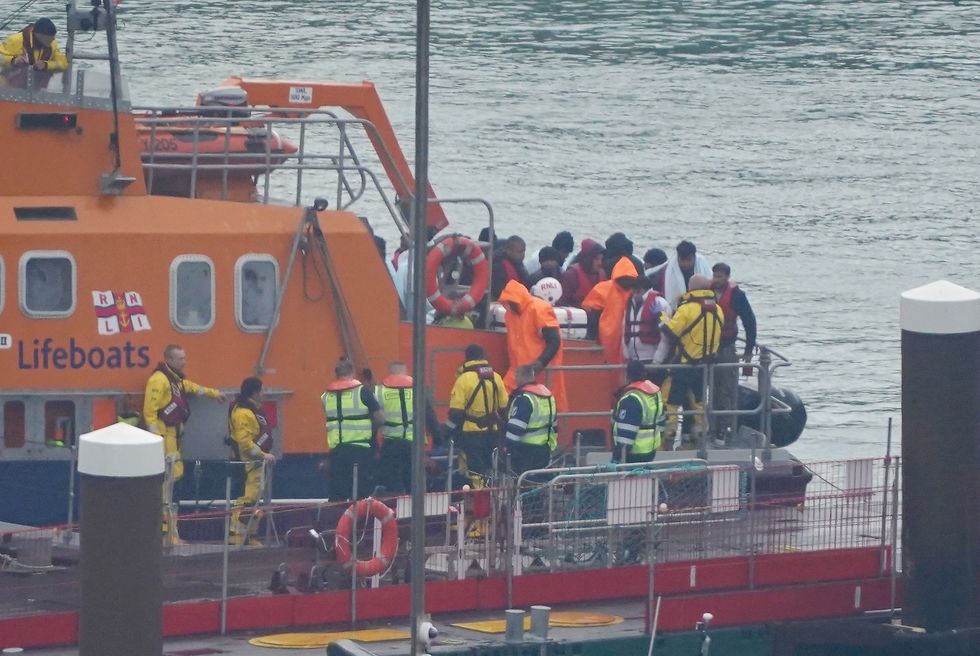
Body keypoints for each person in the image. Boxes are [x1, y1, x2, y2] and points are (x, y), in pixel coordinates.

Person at [142, 344, 226, 540]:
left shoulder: (175, 381)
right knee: (168, 479)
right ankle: (164, 530)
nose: (184, 362)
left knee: (173, 477)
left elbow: (191, 387)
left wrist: (214, 394)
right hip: (164, 437)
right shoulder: (159, 380)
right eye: (180, 359)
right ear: (169, 360)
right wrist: (156, 440)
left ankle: (170, 530)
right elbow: (149, 412)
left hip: (173, 437)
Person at [659, 274, 724, 449]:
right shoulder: (718, 309)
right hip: (704, 366)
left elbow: (671, 332)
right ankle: (698, 439)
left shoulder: (687, 309)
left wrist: (661, 317)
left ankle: (668, 438)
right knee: (698, 403)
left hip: (684, 365)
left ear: (691, 288)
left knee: (670, 402)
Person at [497, 279, 567, 412]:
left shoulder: (540, 309)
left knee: (544, 410)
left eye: (510, 302)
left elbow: (554, 341)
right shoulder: (510, 314)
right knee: (503, 404)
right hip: (517, 372)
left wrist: (540, 364)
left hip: (541, 373)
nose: (508, 306)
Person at [322, 358, 383, 500]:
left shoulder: (326, 396)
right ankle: (360, 515)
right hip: (360, 451)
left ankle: (338, 514)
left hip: (336, 452)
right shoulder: (363, 392)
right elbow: (380, 418)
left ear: (336, 374)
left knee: (337, 495)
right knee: (362, 496)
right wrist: (368, 429)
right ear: (352, 372)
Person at [444, 344, 509, 476]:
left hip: (470, 433)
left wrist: (445, 432)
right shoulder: (496, 377)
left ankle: (476, 489)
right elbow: (504, 408)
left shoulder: (464, 379)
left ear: (467, 357)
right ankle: (489, 489)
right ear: (483, 357)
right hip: (493, 432)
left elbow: (456, 413)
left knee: (473, 470)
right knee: (491, 469)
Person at [377, 361, 441, 494]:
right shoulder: (418, 389)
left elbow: (375, 419)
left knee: (393, 483)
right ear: (405, 372)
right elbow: (430, 416)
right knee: (414, 483)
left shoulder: (379, 391)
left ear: (391, 373)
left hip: (391, 444)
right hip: (414, 445)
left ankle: (396, 505)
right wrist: (439, 439)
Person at [711, 263, 758, 442]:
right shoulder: (705, 292)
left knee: (726, 389)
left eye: (720, 276)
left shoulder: (737, 296)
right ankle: (709, 426)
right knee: (708, 388)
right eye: (715, 276)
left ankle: (723, 428)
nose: (717, 280)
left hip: (726, 347)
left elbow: (749, 321)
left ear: (727, 277)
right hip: (706, 349)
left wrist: (748, 350)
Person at [227, 377, 277, 545]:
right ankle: (236, 534)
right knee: (245, 500)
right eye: (262, 390)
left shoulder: (252, 411)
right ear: (254, 393)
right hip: (247, 464)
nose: (263, 394)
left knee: (254, 500)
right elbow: (244, 443)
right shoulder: (243, 413)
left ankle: (249, 535)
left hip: (255, 465)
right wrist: (263, 455)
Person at [581, 257, 639, 365]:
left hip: (629, 337)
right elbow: (591, 313)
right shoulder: (603, 289)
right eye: (624, 278)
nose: (627, 281)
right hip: (607, 338)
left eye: (630, 278)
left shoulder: (637, 292)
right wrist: (592, 337)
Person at [504, 365, 557, 474]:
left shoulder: (524, 399)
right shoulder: (548, 396)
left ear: (520, 377)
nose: (515, 380)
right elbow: (555, 425)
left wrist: (508, 449)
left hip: (525, 451)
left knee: (523, 481)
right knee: (541, 480)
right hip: (545, 448)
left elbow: (515, 429)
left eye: (516, 377)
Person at [612, 360, 666, 463]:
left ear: (628, 375)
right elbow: (662, 423)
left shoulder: (631, 399)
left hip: (633, 454)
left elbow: (625, 436)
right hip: (650, 451)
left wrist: (617, 457)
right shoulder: (655, 393)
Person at [623, 276, 672, 373]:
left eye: (637, 289)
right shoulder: (629, 304)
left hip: (652, 359)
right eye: (633, 289)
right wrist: (626, 356)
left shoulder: (660, 304)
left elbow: (666, 336)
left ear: (645, 289)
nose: (634, 293)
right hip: (633, 361)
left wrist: (657, 361)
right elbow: (623, 331)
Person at [1, 18, 69, 74]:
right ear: (39, 36)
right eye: (49, 37)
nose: (53, 39)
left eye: (53, 36)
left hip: (36, 83)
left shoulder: (52, 44)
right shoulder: (15, 40)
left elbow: (64, 64)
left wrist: (46, 65)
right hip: (8, 82)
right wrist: (14, 60)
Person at [661, 240, 712, 310]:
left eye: (689, 260)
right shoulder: (668, 272)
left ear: (694, 257)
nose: (685, 264)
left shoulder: (702, 267)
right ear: (677, 258)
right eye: (682, 260)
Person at [559, 239, 606, 307]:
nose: (600, 263)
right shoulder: (571, 275)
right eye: (596, 259)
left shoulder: (602, 275)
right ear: (588, 259)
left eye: (601, 259)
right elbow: (561, 303)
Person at [490, 235, 531, 299]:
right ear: (508, 251)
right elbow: (498, 291)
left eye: (524, 251)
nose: (523, 255)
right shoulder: (498, 267)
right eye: (520, 252)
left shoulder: (518, 263)